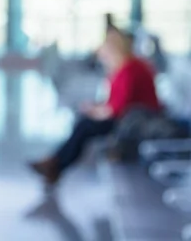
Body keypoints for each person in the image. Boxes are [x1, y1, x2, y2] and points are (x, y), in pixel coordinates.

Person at [29, 27, 160, 186]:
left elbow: (118, 109)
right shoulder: (125, 67)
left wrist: (96, 111)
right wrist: (96, 108)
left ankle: (55, 164)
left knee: (85, 126)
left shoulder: (130, 69)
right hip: (130, 117)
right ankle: (55, 163)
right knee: (84, 123)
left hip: (137, 121)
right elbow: (116, 102)